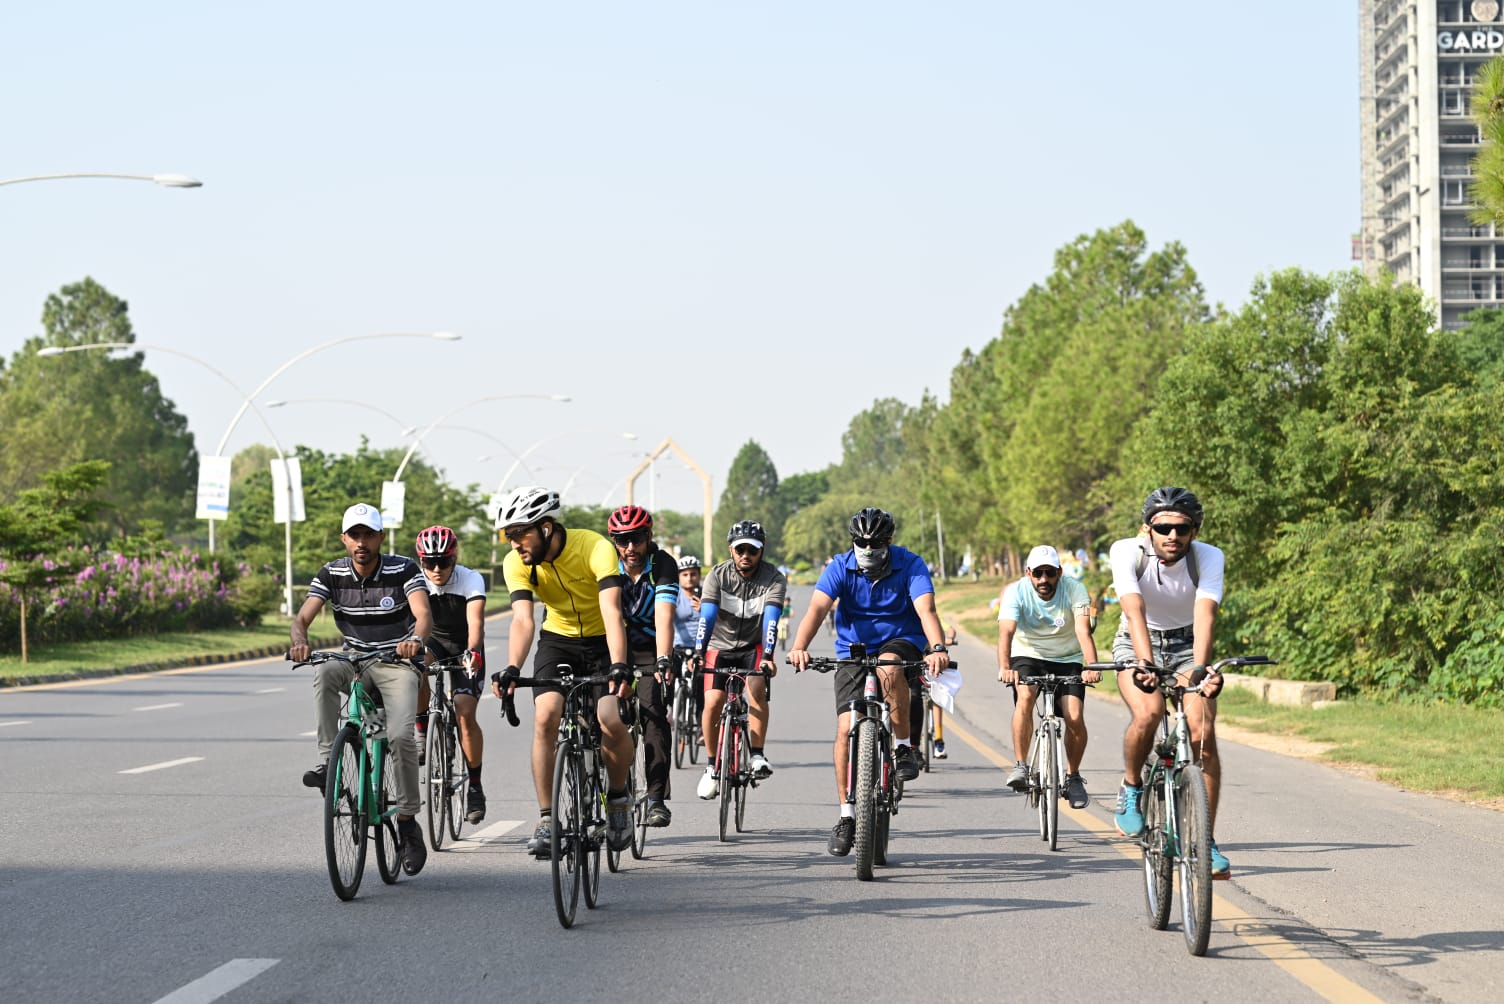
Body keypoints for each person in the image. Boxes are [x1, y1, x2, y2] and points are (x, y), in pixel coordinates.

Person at [788, 507, 950, 857]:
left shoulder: (911, 565)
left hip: (900, 639)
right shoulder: (839, 567)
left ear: (889, 541)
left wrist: (937, 647)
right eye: (860, 541)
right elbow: (817, 609)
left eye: (875, 542)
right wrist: (799, 647)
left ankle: (905, 746)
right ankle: (847, 815)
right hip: (853, 649)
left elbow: (926, 611)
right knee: (846, 726)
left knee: (890, 668)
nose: (867, 547)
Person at [488, 486, 636, 857]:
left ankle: (618, 800)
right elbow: (522, 620)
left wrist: (619, 665)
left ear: (547, 527)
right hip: (558, 639)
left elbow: (612, 612)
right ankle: (546, 819)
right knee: (546, 717)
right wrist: (511, 668)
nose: (514, 543)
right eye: (509, 535)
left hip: (604, 640)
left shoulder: (594, 548)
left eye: (520, 533)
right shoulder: (516, 562)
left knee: (608, 718)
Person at [290, 502, 433, 876]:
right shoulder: (332, 572)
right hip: (353, 660)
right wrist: (300, 641)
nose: (361, 542)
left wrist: (415, 640)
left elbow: (423, 615)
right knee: (323, 671)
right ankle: (327, 763)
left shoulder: (403, 569)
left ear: (380, 537)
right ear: (344, 539)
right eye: (354, 535)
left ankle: (406, 821)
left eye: (368, 534)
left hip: (396, 662)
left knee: (401, 736)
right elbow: (302, 618)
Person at [1108, 487, 1231, 877]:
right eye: (1163, 528)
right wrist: (1143, 662)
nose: (1172, 536)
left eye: (1182, 529)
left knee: (1202, 732)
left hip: (1186, 643)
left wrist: (1201, 669)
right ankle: (1131, 788)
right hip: (1136, 638)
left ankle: (1205, 840)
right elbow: (1134, 608)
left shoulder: (1209, 557)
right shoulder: (1125, 551)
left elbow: (1206, 613)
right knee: (1149, 712)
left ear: (1194, 531)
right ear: (1148, 529)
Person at [996, 545, 1099, 809]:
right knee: (1026, 697)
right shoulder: (1015, 591)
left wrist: (1092, 666)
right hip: (1027, 655)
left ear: (1059, 573)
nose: (1044, 580)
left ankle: (1073, 776)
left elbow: (1083, 630)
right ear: (1028, 573)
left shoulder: (1074, 589)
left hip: (1068, 658)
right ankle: (1020, 765)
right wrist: (1005, 666)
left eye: (1050, 573)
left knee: (1074, 715)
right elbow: (1006, 632)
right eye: (1038, 573)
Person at [691, 520, 787, 800]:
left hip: (753, 646)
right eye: (740, 549)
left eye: (752, 550)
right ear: (731, 550)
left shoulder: (773, 578)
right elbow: (706, 617)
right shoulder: (717, 576)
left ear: (762, 551)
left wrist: (768, 656)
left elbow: (771, 620)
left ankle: (757, 755)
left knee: (757, 688)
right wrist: (698, 652)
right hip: (719, 645)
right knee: (712, 701)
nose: (746, 555)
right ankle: (711, 766)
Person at [607, 505, 678, 827]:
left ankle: (656, 798)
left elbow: (664, 616)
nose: (630, 548)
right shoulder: (607, 564)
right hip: (612, 647)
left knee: (653, 713)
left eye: (636, 539)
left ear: (649, 537)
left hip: (651, 648)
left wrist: (664, 658)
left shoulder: (662, 564)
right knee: (601, 712)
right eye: (622, 541)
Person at [413, 524, 489, 824]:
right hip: (434, 642)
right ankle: (422, 729)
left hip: (464, 645)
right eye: (429, 562)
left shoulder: (470, 579)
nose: (436, 569)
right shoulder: (416, 580)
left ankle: (475, 786)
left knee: (464, 712)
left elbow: (476, 622)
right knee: (414, 665)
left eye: (443, 561)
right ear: (421, 562)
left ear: (453, 560)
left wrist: (472, 651)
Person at [672, 554, 705, 722]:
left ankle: (700, 723)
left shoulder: (707, 593)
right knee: (667, 673)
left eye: (693, 574)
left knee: (701, 680)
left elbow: (720, 621)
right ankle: (671, 709)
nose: (689, 578)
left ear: (699, 575)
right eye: (685, 575)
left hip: (702, 647)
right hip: (678, 646)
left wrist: (704, 609)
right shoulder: (674, 595)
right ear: (679, 577)